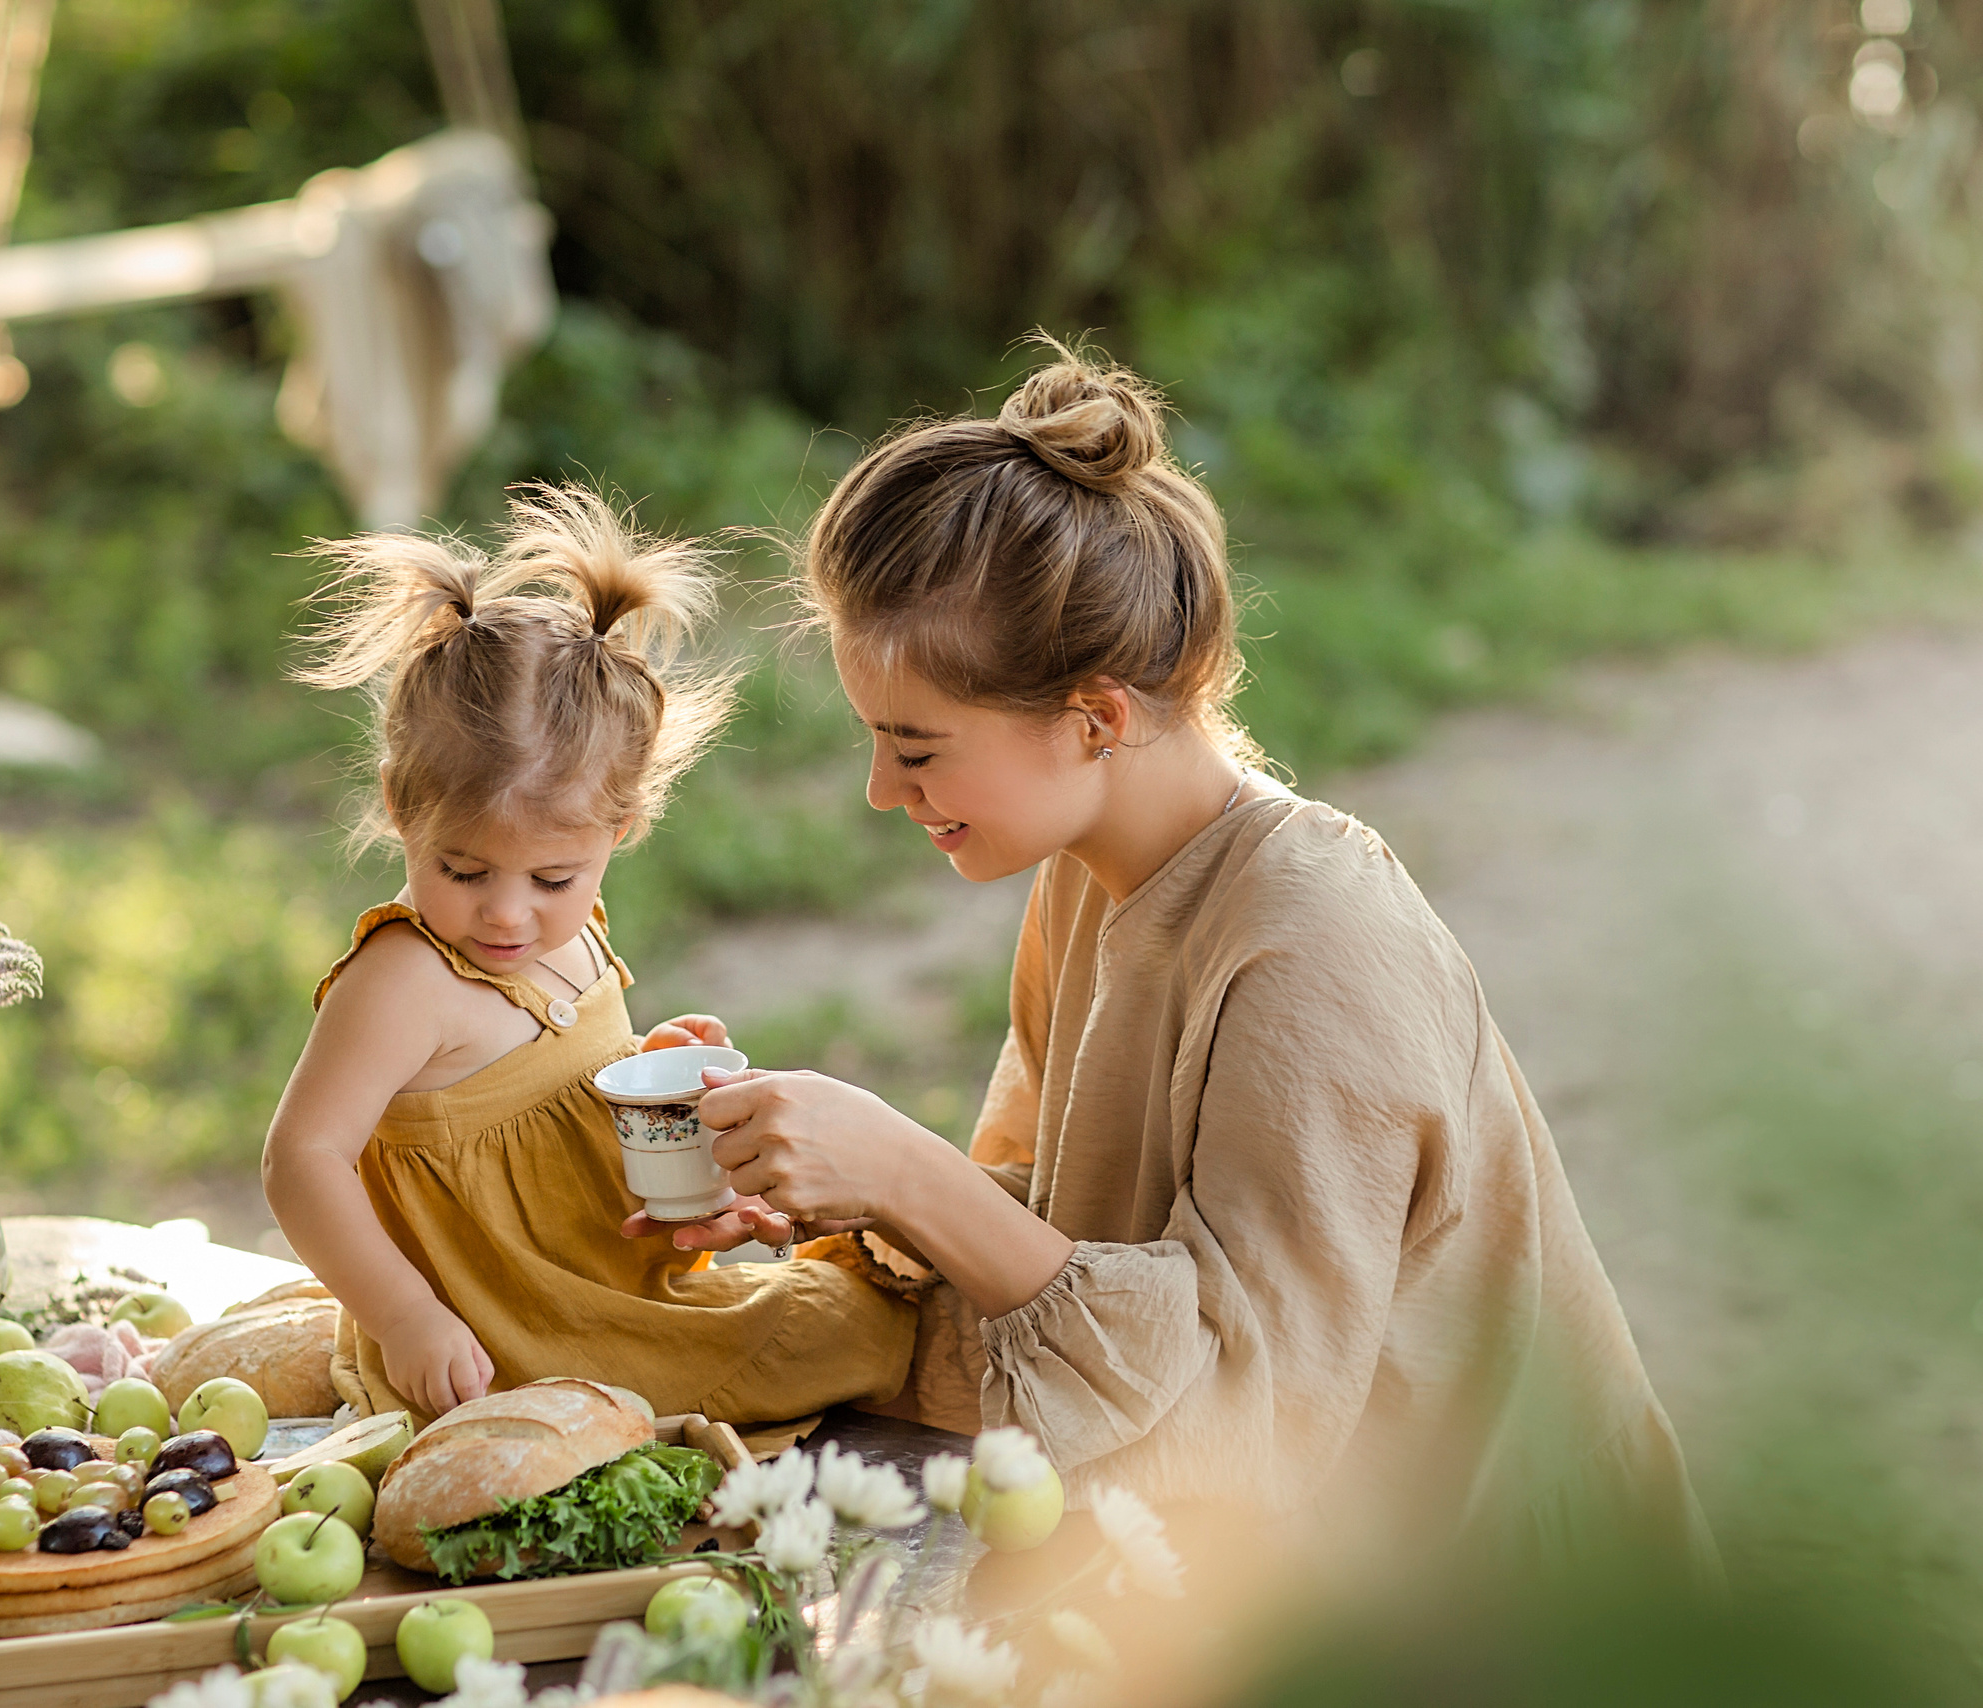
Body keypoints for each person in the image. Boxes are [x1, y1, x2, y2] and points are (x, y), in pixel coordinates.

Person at [641, 350, 1713, 1575]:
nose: (882, 791)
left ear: (1095, 719)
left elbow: (1237, 1415)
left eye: (917, 748)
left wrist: (904, 1167)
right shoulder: (1087, 877)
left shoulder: (1314, 943)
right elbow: (1054, 1252)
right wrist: (825, 1183)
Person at [262, 484, 915, 1424]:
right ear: (400, 810)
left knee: (861, 1301)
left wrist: (647, 1071)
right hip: (508, 1333)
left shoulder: (580, 935)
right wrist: (407, 1319)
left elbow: (544, 1111)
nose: (508, 914)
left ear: (625, 826)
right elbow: (301, 1158)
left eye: (552, 880)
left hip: (604, 1282)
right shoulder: (404, 979)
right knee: (849, 1335)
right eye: (462, 868)